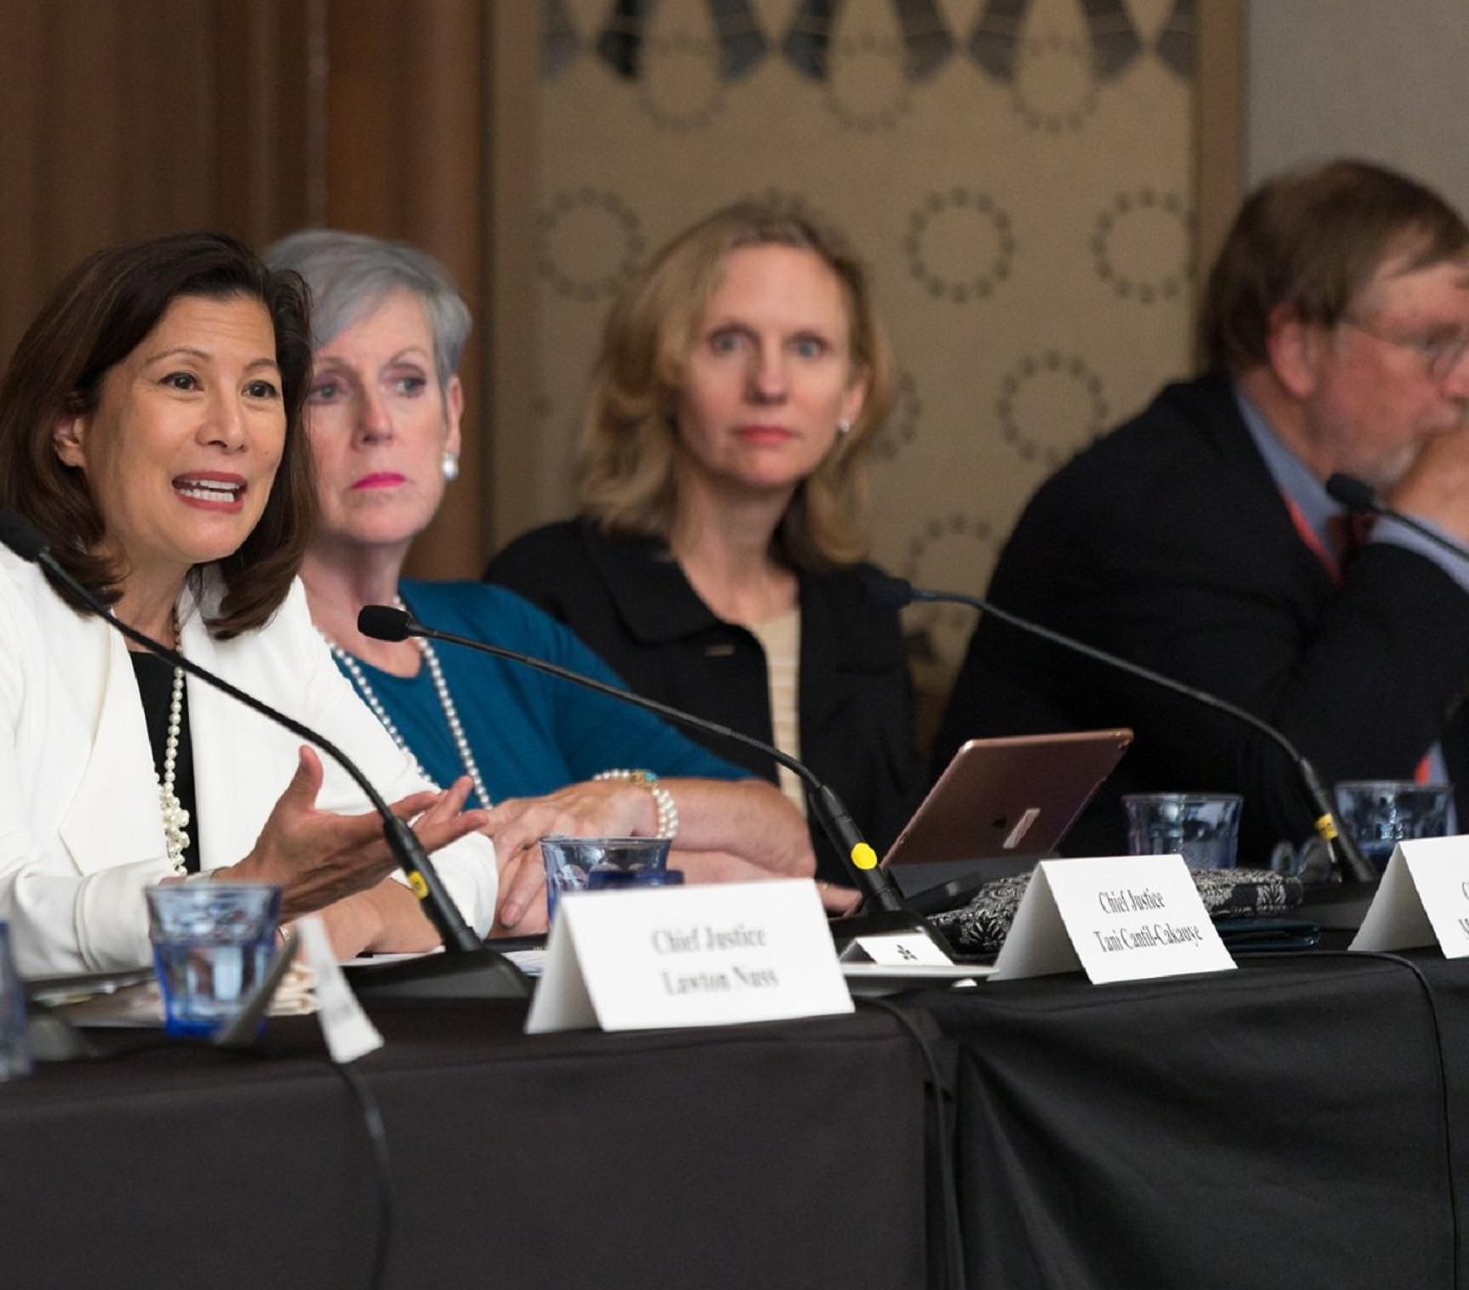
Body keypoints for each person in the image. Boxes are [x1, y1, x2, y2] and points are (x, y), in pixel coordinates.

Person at [0, 232, 493, 977]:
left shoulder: (259, 625)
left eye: (260, 390)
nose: (231, 429)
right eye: (182, 382)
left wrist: (358, 911)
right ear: (69, 423)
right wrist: (244, 898)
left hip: (214, 1068)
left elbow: (455, 847)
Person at [268, 229, 820, 931]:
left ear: (452, 419)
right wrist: (695, 874)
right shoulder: (251, 652)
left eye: (407, 383)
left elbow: (781, 840)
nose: (377, 423)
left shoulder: (495, 626)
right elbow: (327, 915)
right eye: (327, 389)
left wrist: (627, 807)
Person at [936, 159, 1469, 861]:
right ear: (1298, 348)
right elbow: (1299, 801)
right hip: (1106, 963)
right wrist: (1427, 539)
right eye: (1433, 343)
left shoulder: (1364, 504)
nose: (1461, 383)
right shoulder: (1147, 507)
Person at [486, 201, 921, 881]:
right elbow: (520, 864)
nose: (770, 384)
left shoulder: (863, 604)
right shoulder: (548, 588)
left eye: (808, 348)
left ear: (852, 397)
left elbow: (888, 865)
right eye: (728, 342)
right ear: (661, 373)